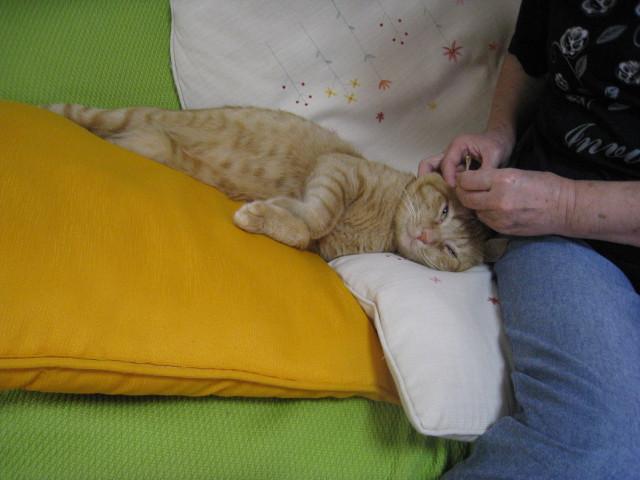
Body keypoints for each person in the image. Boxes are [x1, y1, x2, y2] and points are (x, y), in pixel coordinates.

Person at [419, 1, 640, 478]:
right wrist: (499, 135)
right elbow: (533, 53)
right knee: (600, 451)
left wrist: (565, 203)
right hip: (564, 242)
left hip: (554, 210)